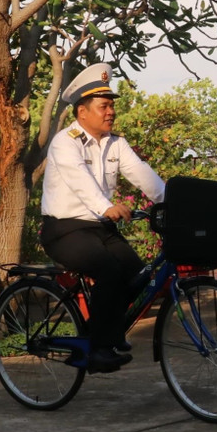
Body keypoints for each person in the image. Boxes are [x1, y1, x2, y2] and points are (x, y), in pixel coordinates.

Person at [39, 63, 166, 374]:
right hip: (64, 230)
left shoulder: (115, 143)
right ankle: (97, 348)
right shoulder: (65, 142)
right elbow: (80, 181)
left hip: (100, 229)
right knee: (109, 272)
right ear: (82, 112)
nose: (110, 112)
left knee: (140, 275)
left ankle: (108, 333)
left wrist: (172, 202)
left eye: (111, 106)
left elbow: (144, 176)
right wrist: (106, 206)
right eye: (103, 106)